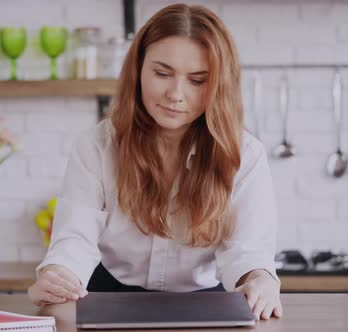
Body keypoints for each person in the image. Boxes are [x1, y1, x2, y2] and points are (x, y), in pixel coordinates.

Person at [28, 3, 282, 320]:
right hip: (109, 294)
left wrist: (260, 279)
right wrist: (56, 274)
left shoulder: (245, 154)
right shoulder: (97, 146)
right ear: (138, 70)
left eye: (197, 80)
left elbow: (248, 251)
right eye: (162, 73)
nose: (176, 94)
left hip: (206, 301)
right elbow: (74, 240)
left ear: (218, 85)